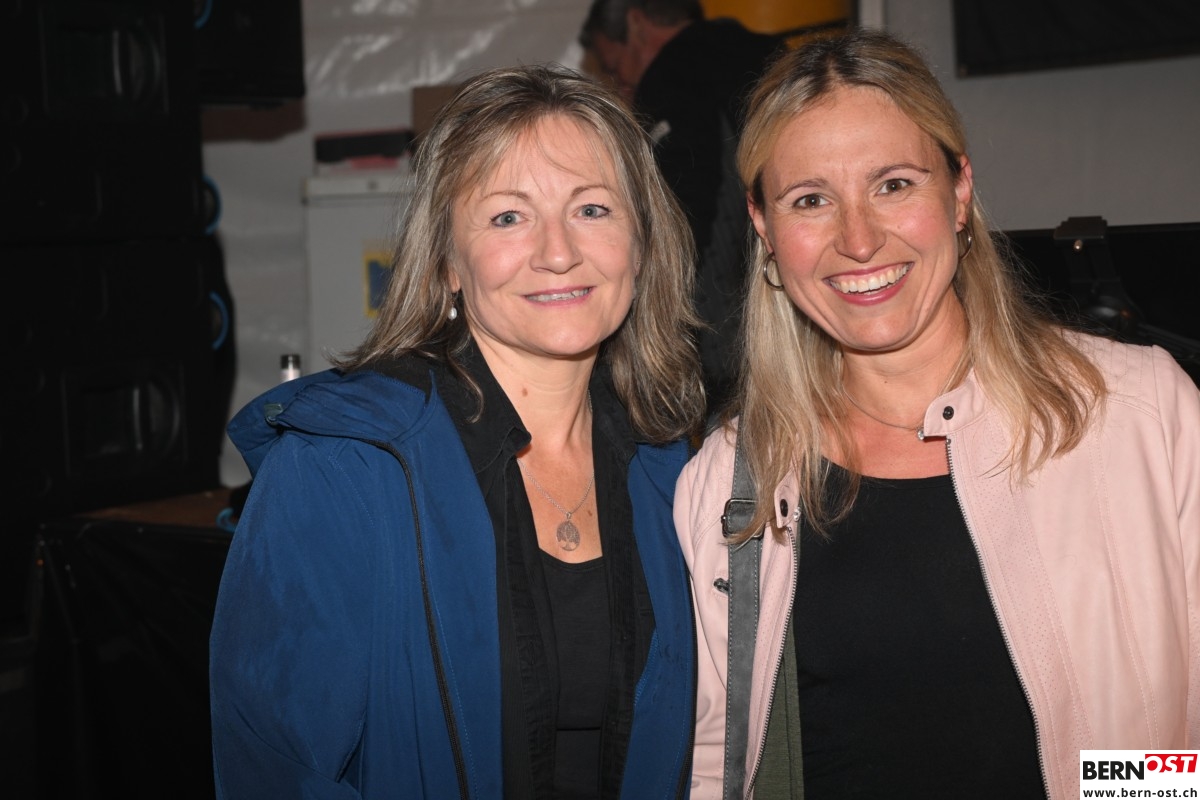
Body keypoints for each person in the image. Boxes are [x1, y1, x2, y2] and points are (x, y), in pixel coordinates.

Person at [675, 29, 1200, 800]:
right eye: (811, 200)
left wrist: (1116, 788)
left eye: (893, 184)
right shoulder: (730, 479)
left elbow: (1179, 751)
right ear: (764, 229)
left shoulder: (1137, 414)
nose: (859, 240)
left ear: (958, 193)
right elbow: (713, 763)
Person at [209, 63, 707, 799]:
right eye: (508, 216)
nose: (559, 251)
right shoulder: (342, 466)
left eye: (592, 208)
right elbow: (275, 770)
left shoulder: (677, 471)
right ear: (446, 261)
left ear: (641, 241)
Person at [578, 0, 781, 414]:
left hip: (726, 341)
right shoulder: (770, 56)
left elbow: (682, 214)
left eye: (614, 67)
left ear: (636, 23)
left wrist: (665, 329)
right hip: (784, 316)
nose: (622, 85)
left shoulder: (673, 76)